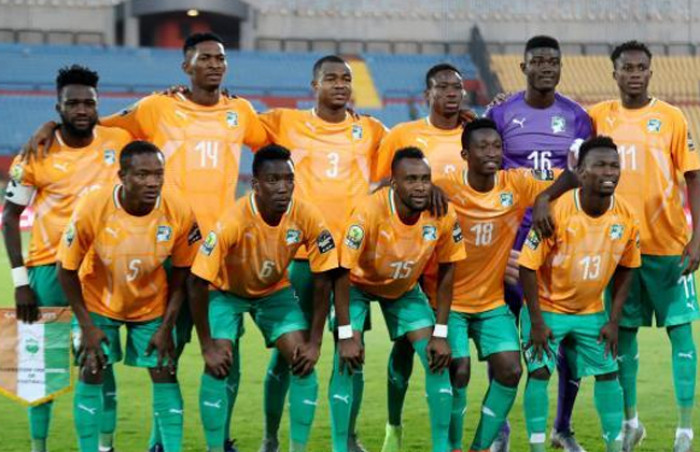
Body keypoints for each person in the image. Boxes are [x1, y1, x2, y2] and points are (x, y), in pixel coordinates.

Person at [23, 32, 268, 452]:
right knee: (166, 351)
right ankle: (157, 443)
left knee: (225, 348)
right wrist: (50, 125)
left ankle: (221, 438)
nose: (214, 64)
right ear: (185, 66)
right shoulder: (157, 106)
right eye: (204, 58)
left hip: (218, 250)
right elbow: (94, 123)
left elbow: (273, 140)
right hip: (165, 247)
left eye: (220, 58)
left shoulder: (241, 111)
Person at [256, 55, 387, 452]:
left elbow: (413, 152)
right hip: (300, 258)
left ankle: (347, 438)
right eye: (331, 78)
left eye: (346, 78)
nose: (340, 84)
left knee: (352, 350)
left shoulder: (370, 129)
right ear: (314, 85)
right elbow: (232, 120)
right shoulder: (285, 122)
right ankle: (270, 437)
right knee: (289, 353)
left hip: (350, 262)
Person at [2, 64, 131, 452]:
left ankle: (104, 447)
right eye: (72, 103)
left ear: (98, 105)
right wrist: (20, 283)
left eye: (88, 103)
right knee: (41, 372)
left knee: (99, 363)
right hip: (47, 273)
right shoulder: (36, 154)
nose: (81, 109)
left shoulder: (118, 141)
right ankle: (39, 448)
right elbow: (9, 217)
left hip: (101, 274)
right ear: (57, 108)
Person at [582, 40, 699, 452]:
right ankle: (631, 422)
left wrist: (698, 238)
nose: (634, 74)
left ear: (651, 71)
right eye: (627, 68)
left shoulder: (670, 117)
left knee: (681, 333)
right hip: (617, 249)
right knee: (623, 335)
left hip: (668, 245)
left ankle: (685, 430)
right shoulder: (598, 117)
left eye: (641, 67)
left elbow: (693, 177)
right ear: (614, 74)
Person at [419, 118, 559, 452]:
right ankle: (452, 446)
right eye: (482, 147)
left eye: (497, 146)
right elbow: (396, 189)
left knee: (510, 370)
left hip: (491, 302)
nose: (492, 153)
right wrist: (429, 187)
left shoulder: (516, 184)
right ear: (465, 154)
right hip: (449, 301)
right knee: (459, 369)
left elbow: (569, 177)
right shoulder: (445, 187)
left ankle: (479, 447)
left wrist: (544, 198)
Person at [187, 145, 337, 452]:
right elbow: (197, 280)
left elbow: (325, 276)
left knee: (302, 361)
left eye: (288, 179)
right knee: (219, 362)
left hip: (273, 292)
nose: (283, 187)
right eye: (273, 180)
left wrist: (315, 342)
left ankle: (280, 444)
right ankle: (216, 448)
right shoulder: (234, 220)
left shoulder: (305, 214)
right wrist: (207, 346)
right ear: (255, 184)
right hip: (225, 292)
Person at [56, 141, 201, 452]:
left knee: (165, 370)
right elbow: (65, 270)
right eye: (142, 175)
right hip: (98, 304)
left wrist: (167, 327)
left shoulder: (178, 209)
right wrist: (86, 327)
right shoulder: (93, 207)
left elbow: (183, 271)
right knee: (92, 367)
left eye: (158, 174)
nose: (152, 182)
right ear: (122, 176)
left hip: (150, 306)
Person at [485, 35, 592, 452]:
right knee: (504, 339)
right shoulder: (500, 113)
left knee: (568, 342)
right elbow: (482, 160)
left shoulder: (578, 117)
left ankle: (562, 428)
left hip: (560, 245)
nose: (546, 67)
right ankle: (499, 430)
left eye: (553, 61)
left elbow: (584, 174)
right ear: (523, 67)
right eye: (538, 61)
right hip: (509, 243)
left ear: (560, 67)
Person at [332, 147, 466, 452]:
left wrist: (441, 333)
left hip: (403, 290)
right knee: (347, 358)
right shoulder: (368, 211)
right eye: (411, 179)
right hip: (356, 285)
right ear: (394, 183)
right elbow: (341, 272)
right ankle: (343, 444)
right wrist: (345, 334)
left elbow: (448, 271)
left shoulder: (443, 213)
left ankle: (440, 448)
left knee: (437, 358)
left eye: (425, 179)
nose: (420, 186)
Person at [519, 136, 640, 452]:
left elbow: (629, 267)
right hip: (547, 308)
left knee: (608, 372)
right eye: (599, 165)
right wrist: (536, 322)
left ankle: (614, 447)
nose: (609, 172)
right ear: (581, 172)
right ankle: (536, 448)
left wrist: (613, 320)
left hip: (591, 311)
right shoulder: (556, 212)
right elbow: (527, 266)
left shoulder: (626, 215)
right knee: (540, 371)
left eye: (614, 165)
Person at [375, 63, 467, 179]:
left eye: (457, 87)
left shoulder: (475, 137)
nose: (451, 93)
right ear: (427, 95)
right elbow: (379, 181)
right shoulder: (401, 134)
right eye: (442, 87)